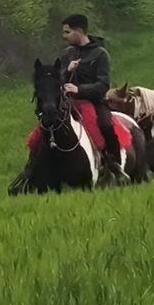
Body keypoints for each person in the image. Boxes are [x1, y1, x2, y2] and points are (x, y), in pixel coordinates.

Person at [60, 14, 129, 185]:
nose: (64, 36)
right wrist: (67, 71)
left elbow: (103, 85)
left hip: (95, 102)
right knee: (48, 125)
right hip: (69, 102)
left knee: (106, 125)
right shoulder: (68, 53)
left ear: (79, 31)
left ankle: (114, 164)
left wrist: (79, 89)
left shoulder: (100, 54)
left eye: (67, 32)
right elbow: (58, 78)